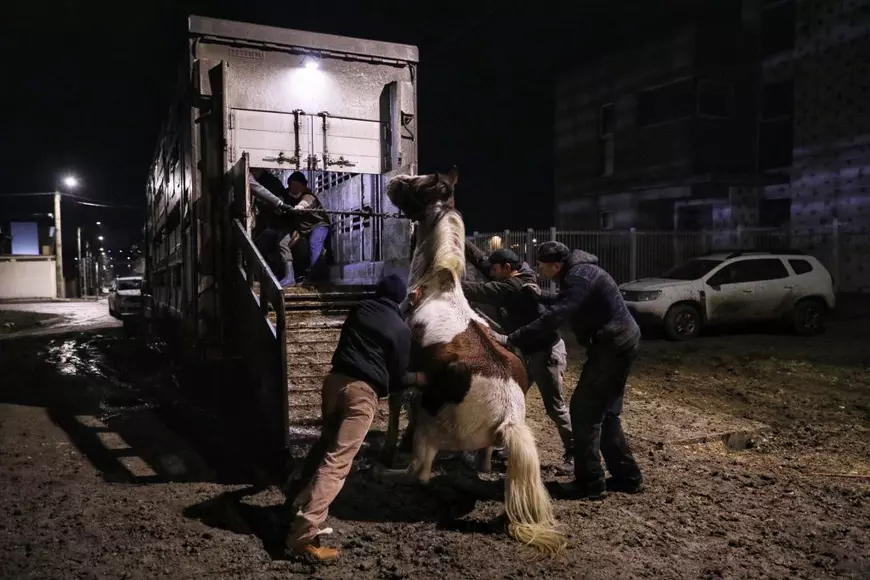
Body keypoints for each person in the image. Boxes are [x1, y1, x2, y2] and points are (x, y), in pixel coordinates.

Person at [284, 273, 424, 562]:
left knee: (325, 443)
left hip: (334, 382)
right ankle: (303, 535)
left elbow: (384, 314)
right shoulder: (401, 330)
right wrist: (420, 377)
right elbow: (398, 379)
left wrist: (405, 304)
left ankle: (295, 494)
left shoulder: (360, 309)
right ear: (400, 299)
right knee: (337, 462)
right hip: (362, 394)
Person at [493, 241, 644, 500]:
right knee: (606, 413)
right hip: (620, 342)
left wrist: (512, 339)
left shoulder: (578, 278)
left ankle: (590, 483)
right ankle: (627, 477)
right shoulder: (579, 273)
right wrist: (540, 295)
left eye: (542, 266)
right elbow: (569, 301)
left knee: (584, 411)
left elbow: (555, 316)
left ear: (556, 264)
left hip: (611, 347)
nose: (539, 270)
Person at [462, 243, 574, 474]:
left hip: (545, 355)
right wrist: (462, 240)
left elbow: (478, 291)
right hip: (530, 353)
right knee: (512, 399)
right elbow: (484, 261)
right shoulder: (518, 271)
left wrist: (444, 281)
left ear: (506, 268)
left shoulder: (514, 287)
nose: (490, 273)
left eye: (495, 270)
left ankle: (575, 454)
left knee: (555, 407)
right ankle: (504, 444)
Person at [284, 171, 330, 285]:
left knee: (314, 244)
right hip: (303, 229)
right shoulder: (287, 195)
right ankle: (297, 275)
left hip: (318, 225)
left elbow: (306, 202)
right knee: (292, 246)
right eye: (292, 185)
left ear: (303, 186)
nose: (294, 187)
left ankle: (313, 278)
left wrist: (300, 206)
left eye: (297, 185)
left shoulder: (308, 196)